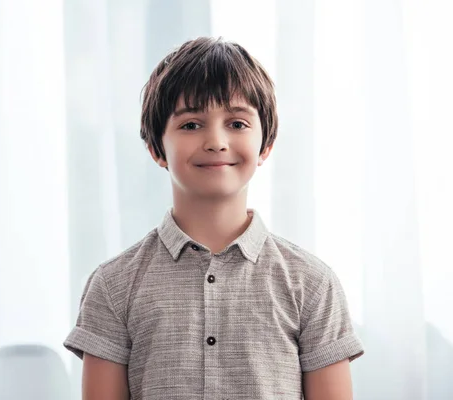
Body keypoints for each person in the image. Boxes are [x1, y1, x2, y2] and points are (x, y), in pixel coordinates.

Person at [64, 36, 364, 400]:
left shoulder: (313, 284)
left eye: (237, 124)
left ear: (265, 144)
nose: (216, 141)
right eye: (191, 125)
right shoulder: (113, 286)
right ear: (156, 148)